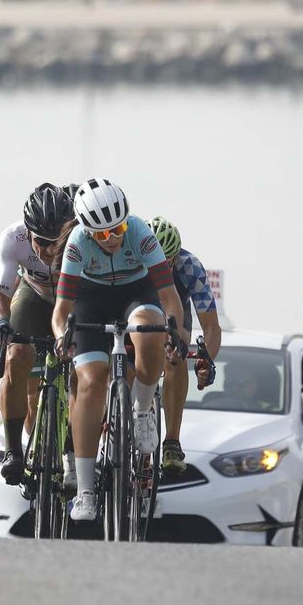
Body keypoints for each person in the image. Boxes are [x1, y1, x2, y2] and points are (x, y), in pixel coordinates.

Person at [52, 178, 188, 523]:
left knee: (151, 332)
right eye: (101, 234)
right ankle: (85, 491)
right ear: (87, 230)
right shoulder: (77, 243)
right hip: (91, 300)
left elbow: (169, 296)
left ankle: (142, 409)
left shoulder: (141, 232)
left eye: (118, 229)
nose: (112, 238)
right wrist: (61, 336)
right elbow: (61, 309)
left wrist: (175, 329)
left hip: (136, 292)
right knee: (90, 382)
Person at [0, 182, 76, 486]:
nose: (49, 250)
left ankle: (75, 449)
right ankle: (15, 450)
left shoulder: (82, 238)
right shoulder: (13, 238)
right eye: (41, 241)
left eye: (57, 242)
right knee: (16, 355)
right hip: (34, 296)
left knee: (88, 367)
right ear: (28, 232)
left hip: (74, 300)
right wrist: (1, 323)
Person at [147, 217, 222, 474]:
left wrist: (206, 361)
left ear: (176, 257)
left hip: (175, 309)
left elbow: (211, 327)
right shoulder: (129, 259)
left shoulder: (189, 266)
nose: (160, 269)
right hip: (139, 304)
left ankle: (172, 441)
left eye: (167, 263)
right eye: (153, 263)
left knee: (176, 355)